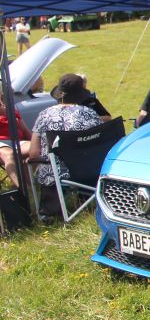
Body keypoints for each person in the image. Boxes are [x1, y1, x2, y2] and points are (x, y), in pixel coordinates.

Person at [28, 74, 102, 217]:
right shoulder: (90, 114)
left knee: (44, 164)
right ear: (80, 94)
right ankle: (87, 202)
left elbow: (34, 153)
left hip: (55, 174)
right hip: (86, 172)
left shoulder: (45, 115)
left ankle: (50, 210)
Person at [0, 93, 32, 188]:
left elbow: (25, 131)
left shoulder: (10, 111)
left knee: (36, 148)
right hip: (1, 143)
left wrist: (7, 114)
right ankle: (21, 189)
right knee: (10, 154)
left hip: (17, 141)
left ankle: (28, 186)